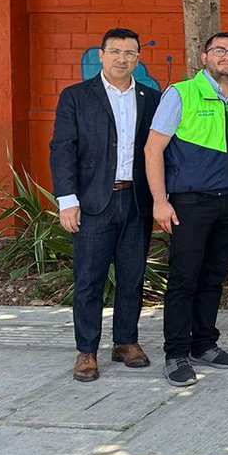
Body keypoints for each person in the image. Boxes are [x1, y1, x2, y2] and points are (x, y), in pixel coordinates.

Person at [145, 31, 228, 387]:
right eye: (219, 50)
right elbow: (152, 150)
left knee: (213, 277)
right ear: (204, 57)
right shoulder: (181, 93)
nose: (227, 56)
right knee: (184, 279)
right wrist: (160, 202)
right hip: (190, 204)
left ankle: (204, 343)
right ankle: (176, 353)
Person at [50, 28, 161, 382]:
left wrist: (162, 199)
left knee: (132, 276)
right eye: (115, 51)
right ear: (101, 55)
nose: (122, 59)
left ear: (138, 59)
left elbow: (159, 151)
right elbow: (63, 149)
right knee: (89, 280)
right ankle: (87, 350)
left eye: (130, 53)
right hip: (94, 202)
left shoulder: (151, 98)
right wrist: (68, 201)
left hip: (137, 200)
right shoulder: (77, 97)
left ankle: (126, 342)